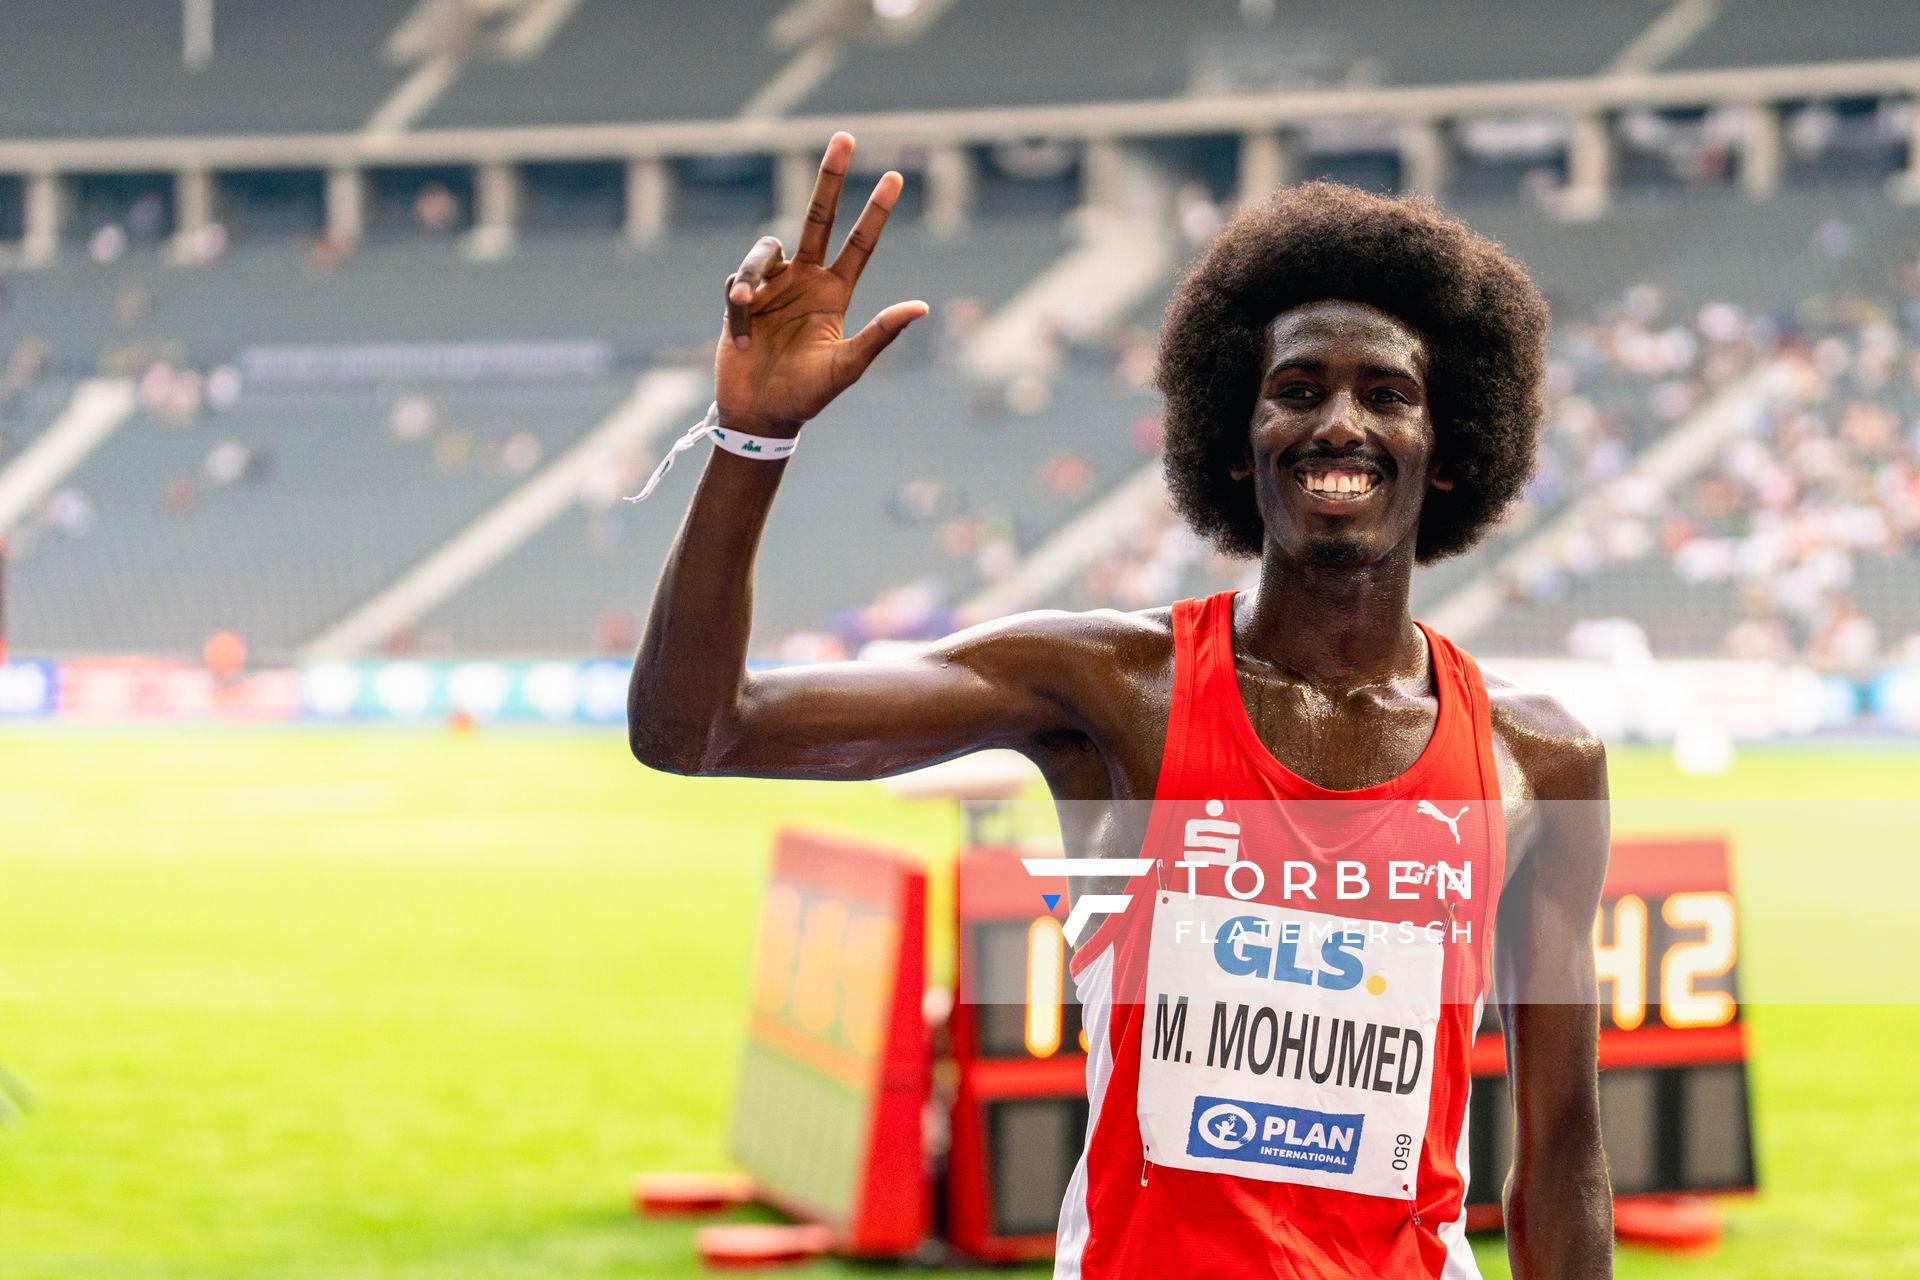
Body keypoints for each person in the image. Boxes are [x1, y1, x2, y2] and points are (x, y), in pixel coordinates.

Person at [629, 133, 1612, 1280]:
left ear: (1446, 451)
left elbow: (1561, 1152)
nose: (1340, 422)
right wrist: (756, 435)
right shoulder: (1110, 691)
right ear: (1239, 446)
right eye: (1297, 391)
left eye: (1385, 394)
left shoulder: (1536, 761)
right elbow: (697, 726)